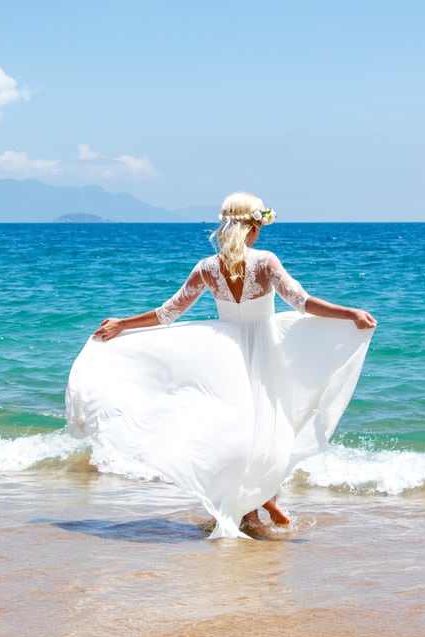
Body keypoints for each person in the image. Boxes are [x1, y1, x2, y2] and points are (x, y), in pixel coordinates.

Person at [66, 192, 376, 538]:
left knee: (234, 432)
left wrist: (124, 323)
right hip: (265, 352)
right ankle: (257, 504)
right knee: (264, 430)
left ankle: (253, 506)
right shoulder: (266, 262)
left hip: (224, 356)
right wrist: (349, 313)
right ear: (255, 226)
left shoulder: (207, 267)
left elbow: (168, 313)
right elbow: (302, 303)